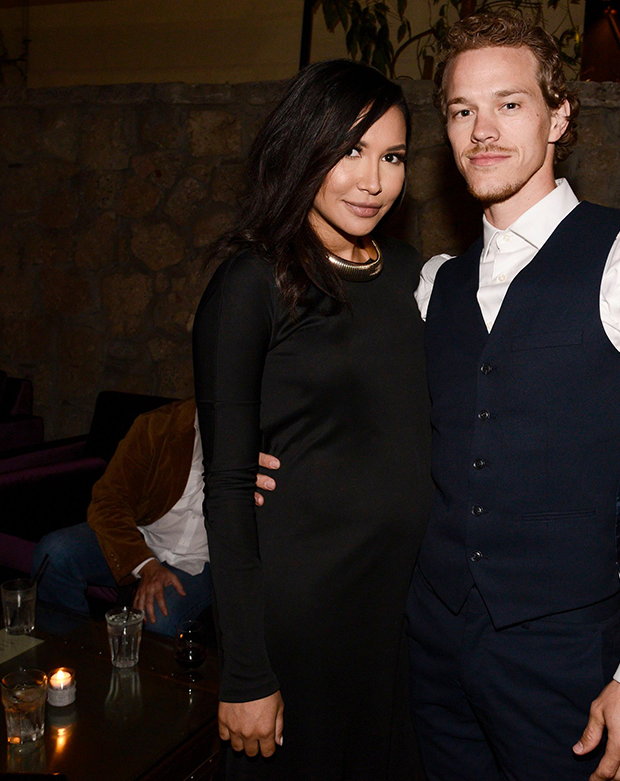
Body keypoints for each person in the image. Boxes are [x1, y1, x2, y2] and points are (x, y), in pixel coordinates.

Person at [406, 13, 620, 781]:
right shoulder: (431, 285)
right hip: (429, 642)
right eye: (461, 110)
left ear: (559, 115)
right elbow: (389, 438)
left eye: (509, 104)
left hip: (563, 653)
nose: (482, 130)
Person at [192, 59, 432, 780]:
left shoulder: (409, 274)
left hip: (394, 613)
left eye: (391, 156)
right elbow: (228, 486)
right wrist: (245, 671)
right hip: (304, 614)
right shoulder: (252, 281)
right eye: (348, 151)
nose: (373, 180)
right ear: (302, 149)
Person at [33, 398, 278, 636]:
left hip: (206, 561)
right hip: (144, 539)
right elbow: (109, 501)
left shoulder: (272, 439)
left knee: (157, 617)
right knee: (56, 552)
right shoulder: (159, 426)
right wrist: (145, 565)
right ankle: (72, 654)